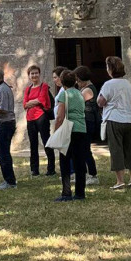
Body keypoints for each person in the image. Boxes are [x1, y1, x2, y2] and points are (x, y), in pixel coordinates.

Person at [98, 56, 131, 189]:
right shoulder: (127, 83)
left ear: (110, 69)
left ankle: (120, 180)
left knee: (116, 149)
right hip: (128, 119)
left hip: (114, 119)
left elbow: (101, 102)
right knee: (130, 149)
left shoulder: (108, 85)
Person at [54, 69, 88, 202]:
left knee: (65, 161)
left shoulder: (65, 94)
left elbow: (60, 116)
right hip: (81, 129)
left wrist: (56, 132)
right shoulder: (80, 94)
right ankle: (80, 193)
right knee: (79, 162)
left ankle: (66, 192)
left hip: (69, 130)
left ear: (62, 82)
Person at [23, 63, 55, 177]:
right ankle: (34, 169)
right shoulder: (27, 89)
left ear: (39, 74)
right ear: (29, 76)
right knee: (33, 144)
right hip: (30, 118)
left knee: (46, 141)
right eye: (32, 73)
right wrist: (33, 102)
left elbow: (41, 100)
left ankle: (51, 169)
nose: (34, 75)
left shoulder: (44, 86)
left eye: (36, 73)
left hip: (41, 116)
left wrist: (31, 102)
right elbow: (24, 104)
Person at [75, 65, 100, 185]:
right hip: (85, 121)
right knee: (81, 149)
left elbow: (77, 104)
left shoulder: (88, 90)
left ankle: (93, 174)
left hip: (87, 122)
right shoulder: (85, 88)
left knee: (85, 149)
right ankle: (83, 173)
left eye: (77, 80)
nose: (76, 83)